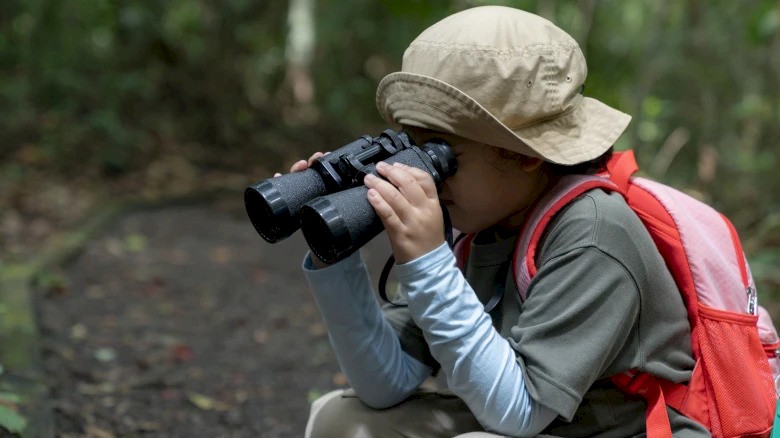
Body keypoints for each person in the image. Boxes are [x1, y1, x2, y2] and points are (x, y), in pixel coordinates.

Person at [281, 6, 710, 437]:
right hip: (536, 423)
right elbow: (385, 382)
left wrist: (429, 265)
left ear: (524, 153)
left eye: (441, 154)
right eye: (410, 147)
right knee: (340, 421)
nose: (419, 173)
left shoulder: (594, 234)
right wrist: (332, 255)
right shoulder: (481, 226)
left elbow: (519, 413)